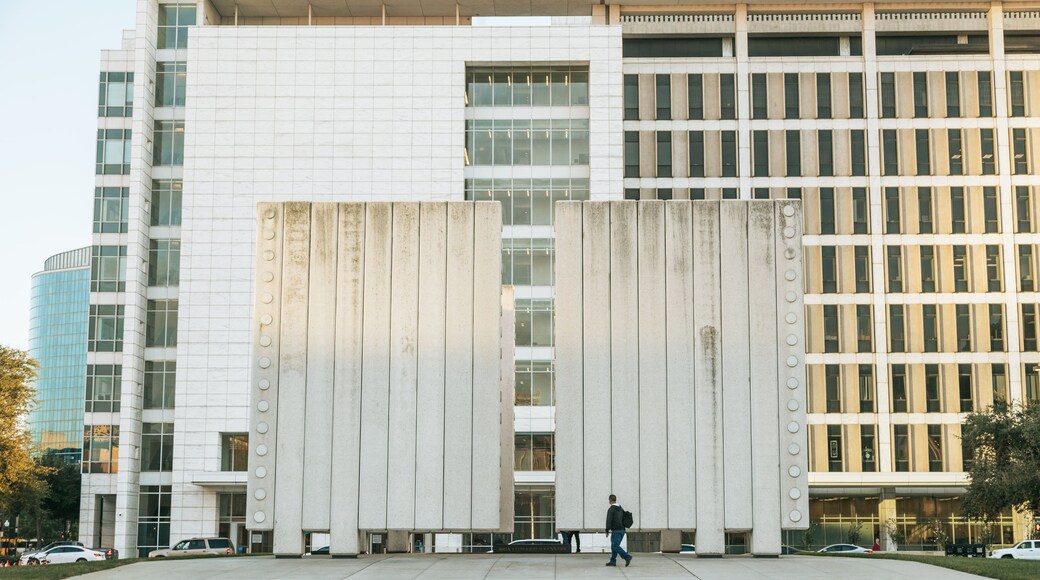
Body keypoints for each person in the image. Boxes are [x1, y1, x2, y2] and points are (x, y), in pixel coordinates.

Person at [604, 494, 632, 567]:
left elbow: (608, 521)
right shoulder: (620, 508)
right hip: (622, 530)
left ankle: (626, 556)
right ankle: (613, 561)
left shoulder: (611, 509)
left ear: (610, 500)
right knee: (614, 546)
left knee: (615, 545)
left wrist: (607, 531)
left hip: (616, 531)